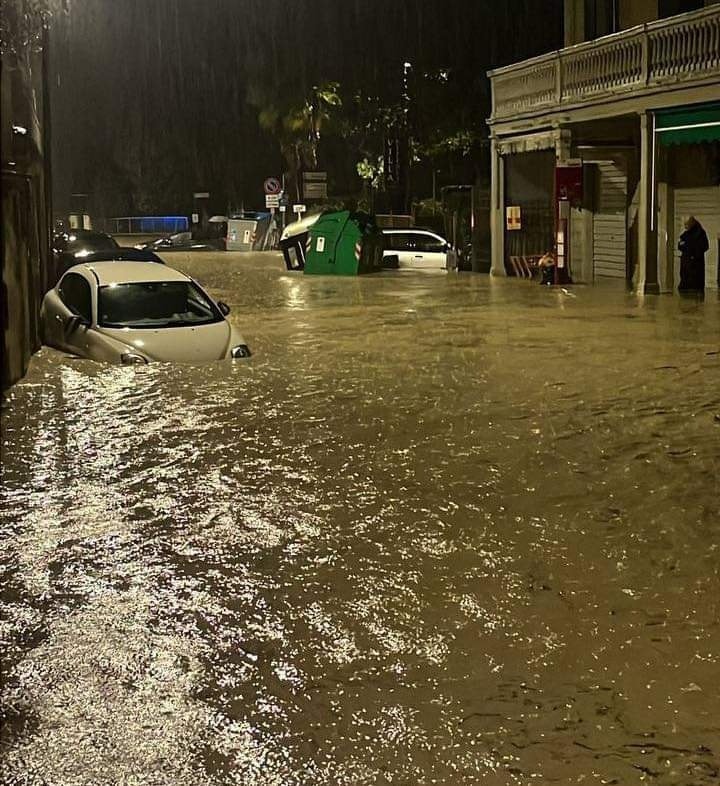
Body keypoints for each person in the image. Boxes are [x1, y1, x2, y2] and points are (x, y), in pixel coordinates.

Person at [678, 216, 708, 292]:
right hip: (689, 261)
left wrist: (694, 253)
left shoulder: (699, 233)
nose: (685, 226)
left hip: (694, 262)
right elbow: (680, 245)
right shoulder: (687, 234)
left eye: (686, 224)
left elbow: (704, 246)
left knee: (693, 279)